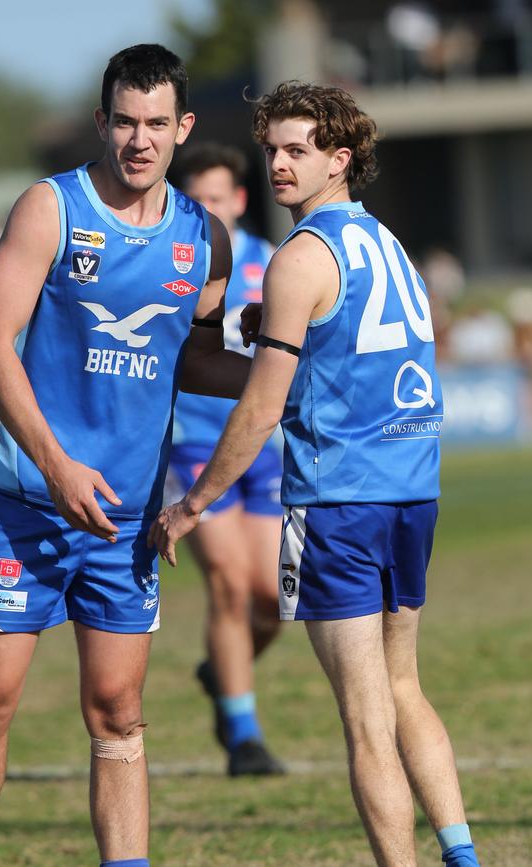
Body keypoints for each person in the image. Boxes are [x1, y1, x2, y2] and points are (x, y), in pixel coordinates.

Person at [0, 44, 252, 867]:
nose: (138, 140)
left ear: (182, 127)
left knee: (118, 711)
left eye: (155, 123)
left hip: (127, 519)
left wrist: (284, 369)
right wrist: (57, 466)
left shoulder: (202, 238)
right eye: (123, 121)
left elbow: (196, 356)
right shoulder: (51, 209)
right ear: (102, 122)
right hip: (26, 501)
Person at [150, 81, 481, 867]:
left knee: (367, 720)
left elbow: (264, 408)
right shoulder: (388, 243)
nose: (278, 164)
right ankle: (464, 855)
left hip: (340, 500)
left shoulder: (301, 256)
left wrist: (192, 503)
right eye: (272, 149)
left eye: (297, 149)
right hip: (411, 490)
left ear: (341, 160)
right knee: (405, 688)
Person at [168, 142, 284, 776]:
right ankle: (244, 736)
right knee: (230, 586)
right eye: (199, 200)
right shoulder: (175, 263)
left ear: (238, 201)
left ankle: (222, 671)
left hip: (261, 447)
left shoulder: (274, 264)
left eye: (219, 198)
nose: (210, 209)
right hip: (192, 444)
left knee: (275, 597)